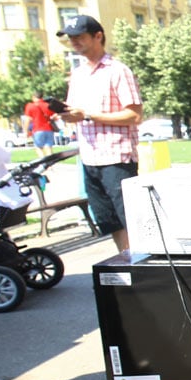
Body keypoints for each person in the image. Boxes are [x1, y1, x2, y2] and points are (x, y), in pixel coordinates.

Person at [57, 14, 142, 252]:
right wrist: (65, 115)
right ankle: (123, 261)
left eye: (79, 37)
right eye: (71, 38)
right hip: (89, 157)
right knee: (108, 220)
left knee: (128, 218)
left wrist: (87, 115)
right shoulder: (78, 74)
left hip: (116, 157)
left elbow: (134, 115)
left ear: (98, 36)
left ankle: (140, 270)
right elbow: (76, 112)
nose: (74, 42)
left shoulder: (117, 71)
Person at [22, 92, 56, 157]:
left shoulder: (30, 106)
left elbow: (28, 120)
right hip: (49, 129)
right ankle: (50, 165)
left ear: (33, 97)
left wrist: (25, 131)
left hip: (38, 129)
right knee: (48, 148)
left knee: (38, 148)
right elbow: (55, 116)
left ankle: (44, 164)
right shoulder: (47, 105)